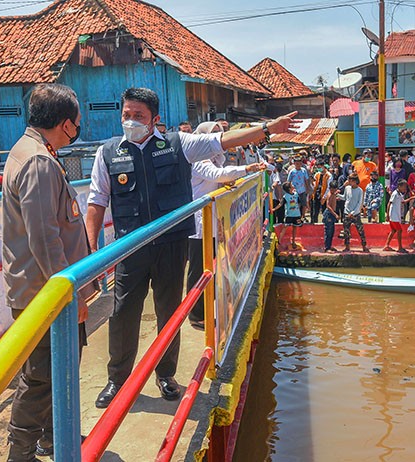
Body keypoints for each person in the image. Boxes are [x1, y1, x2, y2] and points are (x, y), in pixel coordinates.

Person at [85, 87, 300, 408]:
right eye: (126, 115)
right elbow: (96, 202)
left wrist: (268, 129)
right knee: (122, 314)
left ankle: (166, 376)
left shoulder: (178, 144)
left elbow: (222, 142)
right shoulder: (108, 153)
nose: (130, 122)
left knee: (168, 312)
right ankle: (118, 379)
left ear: (155, 120)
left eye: (138, 116)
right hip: (130, 249)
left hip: (171, 246)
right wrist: (93, 257)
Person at [1, 84, 95, 462]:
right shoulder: (38, 161)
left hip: (44, 291)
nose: (77, 130)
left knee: (58, 370)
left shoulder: (31, 152)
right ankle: (20, 454)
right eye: (77, 124)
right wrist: (69, 294)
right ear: (66, 123)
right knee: (41, 378)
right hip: (47, 295)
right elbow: (44, 238)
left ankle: (53, 439)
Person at [186, 121, 264, 330]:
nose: (217, 138)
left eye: (219, 134)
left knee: (209, 267)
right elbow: (217, 176)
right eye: (213, 134)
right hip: (199, 223)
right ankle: (196, 315)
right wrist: (247, 168)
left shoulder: (215, 159)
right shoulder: (198, 158)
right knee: (198, 270)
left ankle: (204, 309)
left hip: (211, 220)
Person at [339, 173, 369, 252]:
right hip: (346, 212)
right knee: (346, 231)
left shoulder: (360, 190)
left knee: (360, 231)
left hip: (355, 214)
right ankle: (347, 246)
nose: (349, 182)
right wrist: (338, 195)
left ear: (355, 181)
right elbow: (345, 197)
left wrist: (353, 212)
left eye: (351, 180)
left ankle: (364, 246)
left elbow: (359, 203)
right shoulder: (347, 188)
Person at [382, 179, 408, 253]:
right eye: (403, 187)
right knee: (399, 230)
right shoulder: (395, 193)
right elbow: (389, 204)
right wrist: (387, 215)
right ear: (399, 186)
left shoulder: (399, 194)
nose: (404, 188)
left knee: (393, 231)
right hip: (393, 216)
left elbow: (403, 202)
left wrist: (413, 198)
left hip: (396, 216)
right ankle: (400, 247)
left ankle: (386, 245)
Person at [286, 154, 311, 220]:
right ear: (294, 163)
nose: (298, 164)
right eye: (297, 163)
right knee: (295, 204)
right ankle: (296, 216)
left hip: (302, 190)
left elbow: (306, 179)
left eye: (299, 163)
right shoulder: (292, 172)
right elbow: (288, 181)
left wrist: (308, 188)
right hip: (294, 191)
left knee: (304, 204)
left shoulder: (304, 170)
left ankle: (303, 216)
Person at [322, 181, 339, 252]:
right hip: (329, 214)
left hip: (332, 213)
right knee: (328, 231)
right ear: (330, 188)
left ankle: (329, 246)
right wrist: (335, 214)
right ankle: (327, 247)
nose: (333, 191)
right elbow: (328, 206)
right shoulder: (329, 195)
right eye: (332, 189)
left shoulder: (334, 194)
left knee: (332, 231)